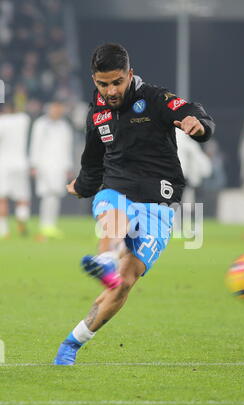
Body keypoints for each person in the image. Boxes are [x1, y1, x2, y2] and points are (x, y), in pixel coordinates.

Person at [53, 43, 215, 365]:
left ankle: (71, 344)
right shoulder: (96, 113)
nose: (110, 90)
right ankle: (106, 259)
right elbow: (93, 163)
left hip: (159, 203)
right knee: (116, 212)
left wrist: (197, 124)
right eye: (103, 84)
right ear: (94, 79)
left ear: (129, 74)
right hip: (116, 191)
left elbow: (187, 109)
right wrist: (81, 187)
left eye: (116, 82)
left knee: (125, 284)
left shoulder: (153, 98)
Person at [29, 101, 74, 239]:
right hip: (44, 165)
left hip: (59, 166)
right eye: (55, 108)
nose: (57, 111)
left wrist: (68, 166)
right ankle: (45, 225)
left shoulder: (65, 127)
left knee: (55, 195)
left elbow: (67, 148)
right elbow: (35, 144)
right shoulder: (40, 124)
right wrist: (34, 164)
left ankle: (51, 225)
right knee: (47, 194)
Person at [0, 103, 31, 238]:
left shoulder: (2, 122)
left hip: (3, 164)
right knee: (22, 198)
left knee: (2, 198)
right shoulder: (23, 119)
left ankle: (3, 230)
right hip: (20, 163)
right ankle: (21, 226)